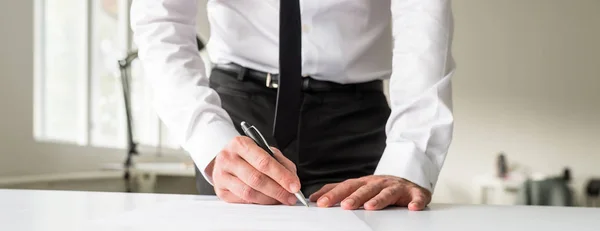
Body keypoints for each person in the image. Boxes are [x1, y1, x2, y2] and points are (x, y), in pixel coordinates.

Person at [131, 0, 455, 211]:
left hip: (356, 120)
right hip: (240, 119)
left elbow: (424, 16)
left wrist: (408, 159)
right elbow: (160, 18)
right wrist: (210, 141)